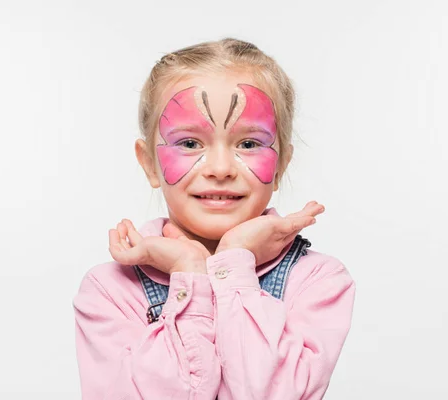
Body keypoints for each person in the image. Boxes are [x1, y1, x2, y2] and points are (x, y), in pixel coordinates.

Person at [73, 38, 356, 400]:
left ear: (282, 163)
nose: (221, 169)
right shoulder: (109, 291)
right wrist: (189, 269)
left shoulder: (317, 282)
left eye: (249, 144)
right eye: (190, 143)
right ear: (149, 164)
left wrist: (233, 261)